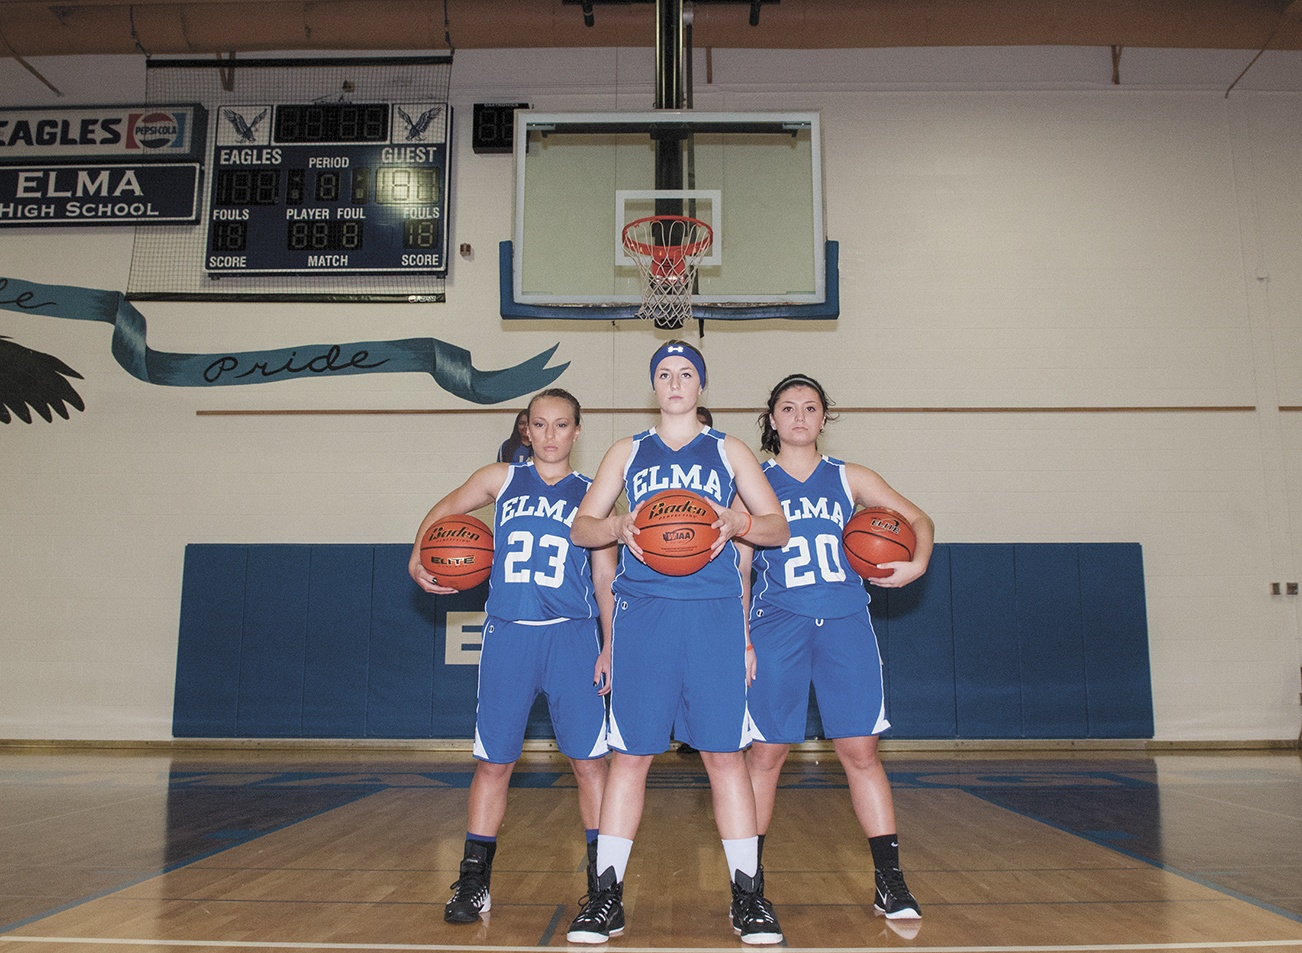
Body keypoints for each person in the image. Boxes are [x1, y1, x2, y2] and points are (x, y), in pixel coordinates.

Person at [565, 340, 790, 946]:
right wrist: (614, 525)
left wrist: (740, 522)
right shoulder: (627, 450)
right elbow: (582, 525)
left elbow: (777, 527)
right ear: (653, 385)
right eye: (664, 374)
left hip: (714, 616)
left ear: (701, 385)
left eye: (685, 373)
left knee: (724, 756)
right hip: (644, 618)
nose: (674, 382)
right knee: (631, 756)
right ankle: (604, 898)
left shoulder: (729, 450)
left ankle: (749, 898)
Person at [409, 388, 615, 925]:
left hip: (572, 635)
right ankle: (474, 883)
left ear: (576, 430)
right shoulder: (500, 479)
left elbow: (604, 577)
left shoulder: (593, 492)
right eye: (540, 425)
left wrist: (611, 643)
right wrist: (417, 548)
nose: (550, 435)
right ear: (526, 429)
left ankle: (601, 886)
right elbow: (448, 506)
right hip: (508, 634)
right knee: (494, 763)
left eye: (561, 425)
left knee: (590, 765)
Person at [739, 373, 934, 921]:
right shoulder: (754, 483)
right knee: (766, 755)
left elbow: (918, 519)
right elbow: (742, 568)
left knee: (861, 753)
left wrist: (915, 562)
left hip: (846, 624)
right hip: (777, 626)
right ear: (772, 420)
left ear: (824, 418)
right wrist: (743, 637)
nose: (799, 416)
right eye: (788, 408)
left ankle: (890, 882)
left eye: (810, 407)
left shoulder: (850, 478)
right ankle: (749, 889)